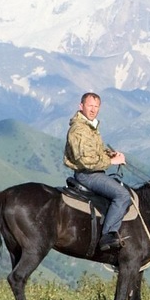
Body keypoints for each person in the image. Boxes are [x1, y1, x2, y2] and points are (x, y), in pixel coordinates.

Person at [64, 92, 130, 253]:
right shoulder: (79, 129)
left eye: (96, 106)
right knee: (123, 195)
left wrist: (109, 154)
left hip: (95, 172)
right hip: (88, 174)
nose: (93, 109)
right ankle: (107, 235)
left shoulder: (90, 126)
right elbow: (86, 160)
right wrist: (111, 162)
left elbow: (95, 151)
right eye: (89, 106)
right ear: (81, 106)